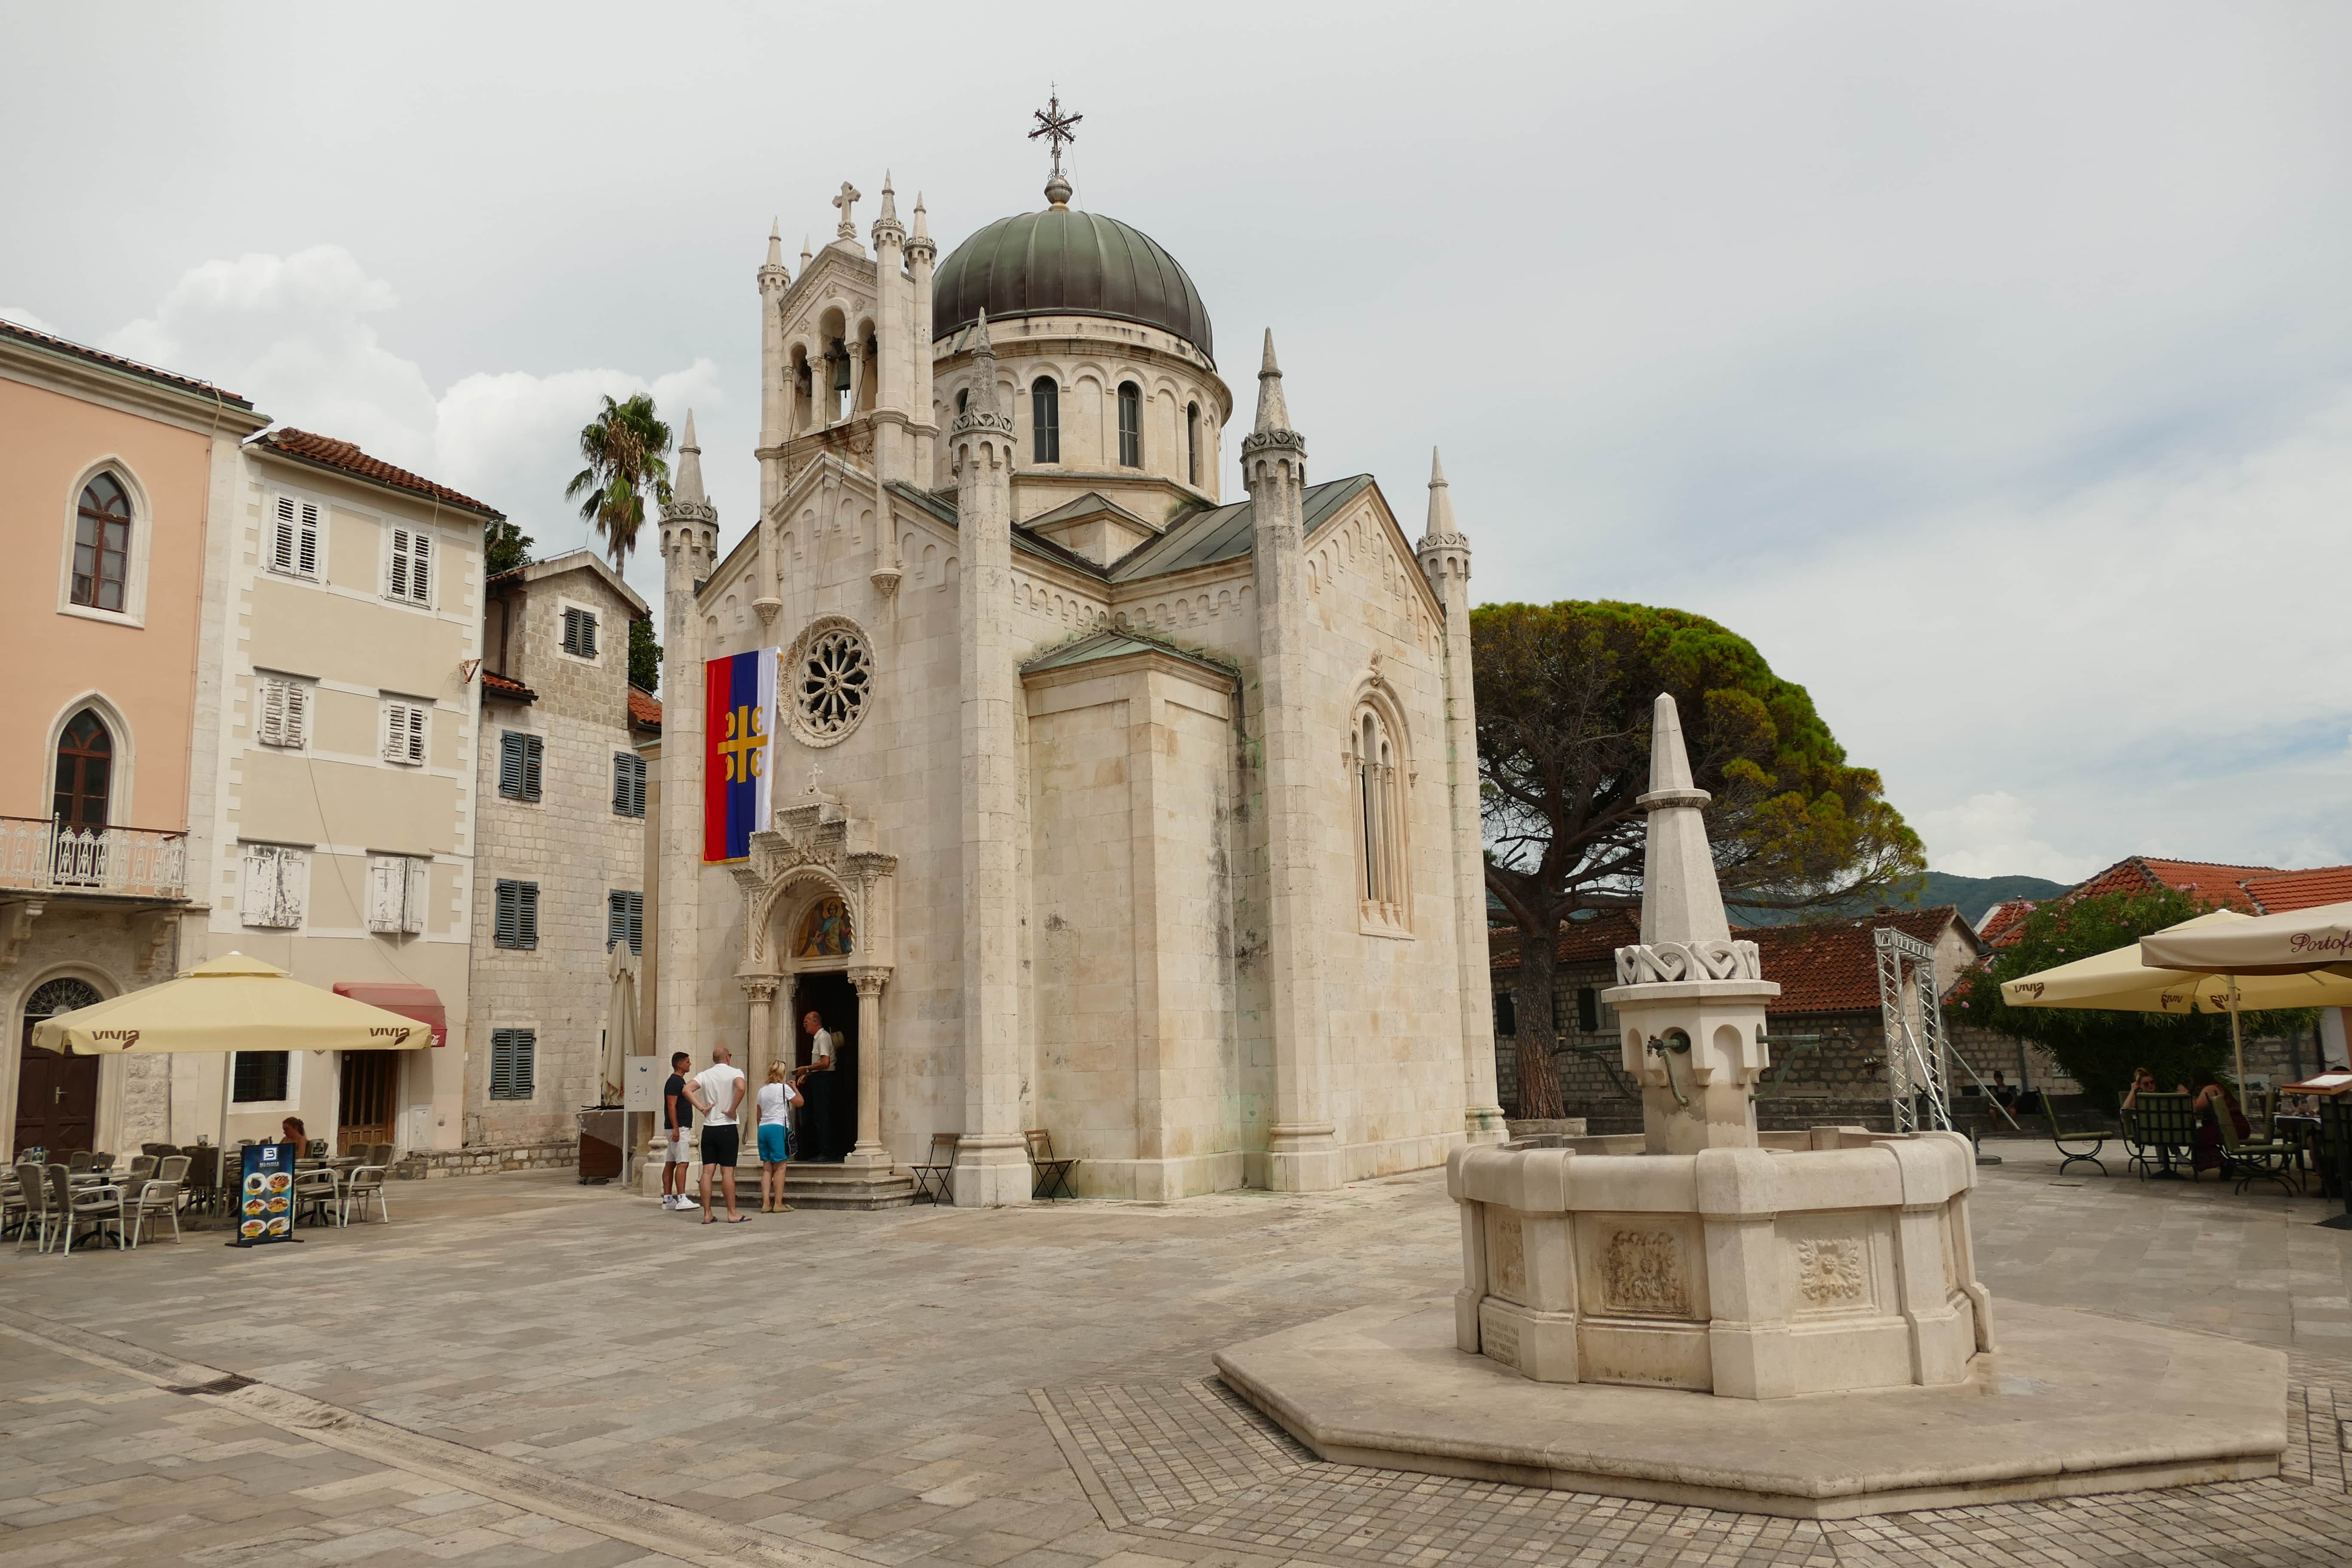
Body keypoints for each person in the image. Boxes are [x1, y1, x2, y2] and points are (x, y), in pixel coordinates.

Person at [686, 1042, 749, 1223]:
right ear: (728, 1058)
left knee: (707, 1172)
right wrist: (732, 1109)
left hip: (709, 1128)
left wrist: (702, 1108)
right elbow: (741, 1087)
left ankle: (707, 1214)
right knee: (727, 1172)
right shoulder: (735, 1072)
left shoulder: (705, 1075)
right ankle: (732, 1213)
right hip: (727, 1127)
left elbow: (687, 1089)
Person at [755, 1063, 805, 1213]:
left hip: (763, 1128)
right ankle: (778, 1203)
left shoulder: (762, 1090)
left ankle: (766, 1203)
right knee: (781, 1166)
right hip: (777, 1127)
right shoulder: (783, 1088)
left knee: (767, 1168)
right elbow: (800, 1102)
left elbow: (759, 1116)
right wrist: (795, 1088)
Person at [2191, 1077, 2251, 1176]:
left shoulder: (2210, 1088)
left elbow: (2197, 1107)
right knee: (2199, 1135)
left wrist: (2188, 1094)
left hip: (2231, 1127)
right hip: (2234, 1125)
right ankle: (2223, 1163)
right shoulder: (2218, 1087)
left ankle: (2223, 1162)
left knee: (2197, 1136)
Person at [661, 1050, 693, 1211]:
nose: (690, 1064)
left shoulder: (679, 1081)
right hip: (679, 1128)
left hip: (677, 1127)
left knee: (671, 1162)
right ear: (679, 1064)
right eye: (687, 1062)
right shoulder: (674, 1082)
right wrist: (676, 1128)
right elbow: (671, 1105)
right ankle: (682, 1197)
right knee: (683, 1163)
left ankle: (668, 1198)